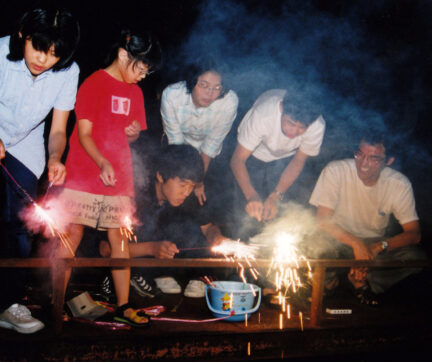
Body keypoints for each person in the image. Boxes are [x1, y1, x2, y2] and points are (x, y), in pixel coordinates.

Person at [0, 7, 80, 337]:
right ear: (24, 34)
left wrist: (55, 157)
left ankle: (10, 304)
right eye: (39, 48)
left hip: (25, 140)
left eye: (55, 54)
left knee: (22, 224)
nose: (44, 60)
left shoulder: (68, 71)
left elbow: (58, 130)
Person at [54, 29, 161, 327]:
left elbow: (134, 130)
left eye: (148, 71)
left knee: (120, 238)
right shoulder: (93, 83)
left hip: (120, 175)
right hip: (85, 172)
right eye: (141, 68)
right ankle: (56, 302)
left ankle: (123, 305)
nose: (143, 76)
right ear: (123, 55)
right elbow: (84, 134)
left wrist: (134, 133)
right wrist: (101, 162)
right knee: (72, 234)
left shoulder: (135, 92)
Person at [309, 134, 427, 305]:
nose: (363, 163)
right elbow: (323, 221)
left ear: (388, 161)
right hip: (338, 239)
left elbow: (414, 234)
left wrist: (377, 247)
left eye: (373, 158)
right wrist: (356, 244)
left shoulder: (399, 184)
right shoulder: (336, 170)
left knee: (415, 257)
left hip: (374, 244)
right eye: (360, 154)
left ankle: (361, 279)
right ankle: (329, 283)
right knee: (314, 245)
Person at [99, 145, 229, 299]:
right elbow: (105, 249)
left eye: (192, 186)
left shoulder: (187, 197)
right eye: (182, 185)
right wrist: (151, 249)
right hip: (131, 262)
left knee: (190, 230)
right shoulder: (134, 194)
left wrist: (216, 237)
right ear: (160, 176)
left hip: (161, 259)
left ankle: (182, 275)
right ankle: (135, 278)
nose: (187, 192)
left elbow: (207, 228)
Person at [230, 89, 325, 225]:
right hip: (253, 152)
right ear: (281, 108)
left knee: (278, 211)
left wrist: (276, 196)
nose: (294, 131)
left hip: (286, 157)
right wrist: (251, 195)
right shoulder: (263, 115)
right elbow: (237, 160)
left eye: (301, 127)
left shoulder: (317, 126)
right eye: (290, 123)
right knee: (247, 210)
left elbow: (298, 161)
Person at [161, 59, 238, 205]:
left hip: (208, 152)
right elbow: (176, 143)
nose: (210, 93)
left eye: (217, 88)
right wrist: (187, 182)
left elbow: (211, 145)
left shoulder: (229, 102)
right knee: (175, 188)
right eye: (203, 85)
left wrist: (199, 181)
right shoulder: (171, 95)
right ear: (192, 82)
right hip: (178, 147)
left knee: (204, 199)